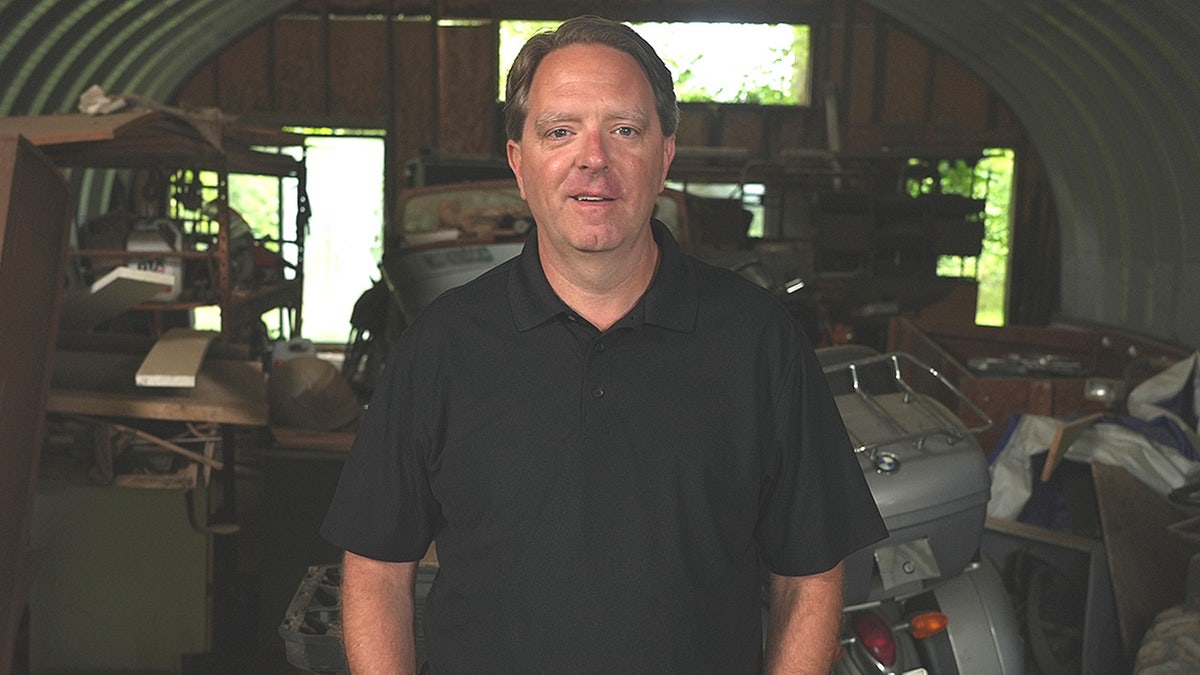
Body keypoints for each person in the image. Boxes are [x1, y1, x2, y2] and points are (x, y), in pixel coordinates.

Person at [321, 15, 887, 674]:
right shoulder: (440, 348)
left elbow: (810, 576)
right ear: (519, 162)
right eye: (560, 131)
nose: (594, 157)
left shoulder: (761, 344)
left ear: (665, 154)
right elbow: (376, 570)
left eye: (625, 129)